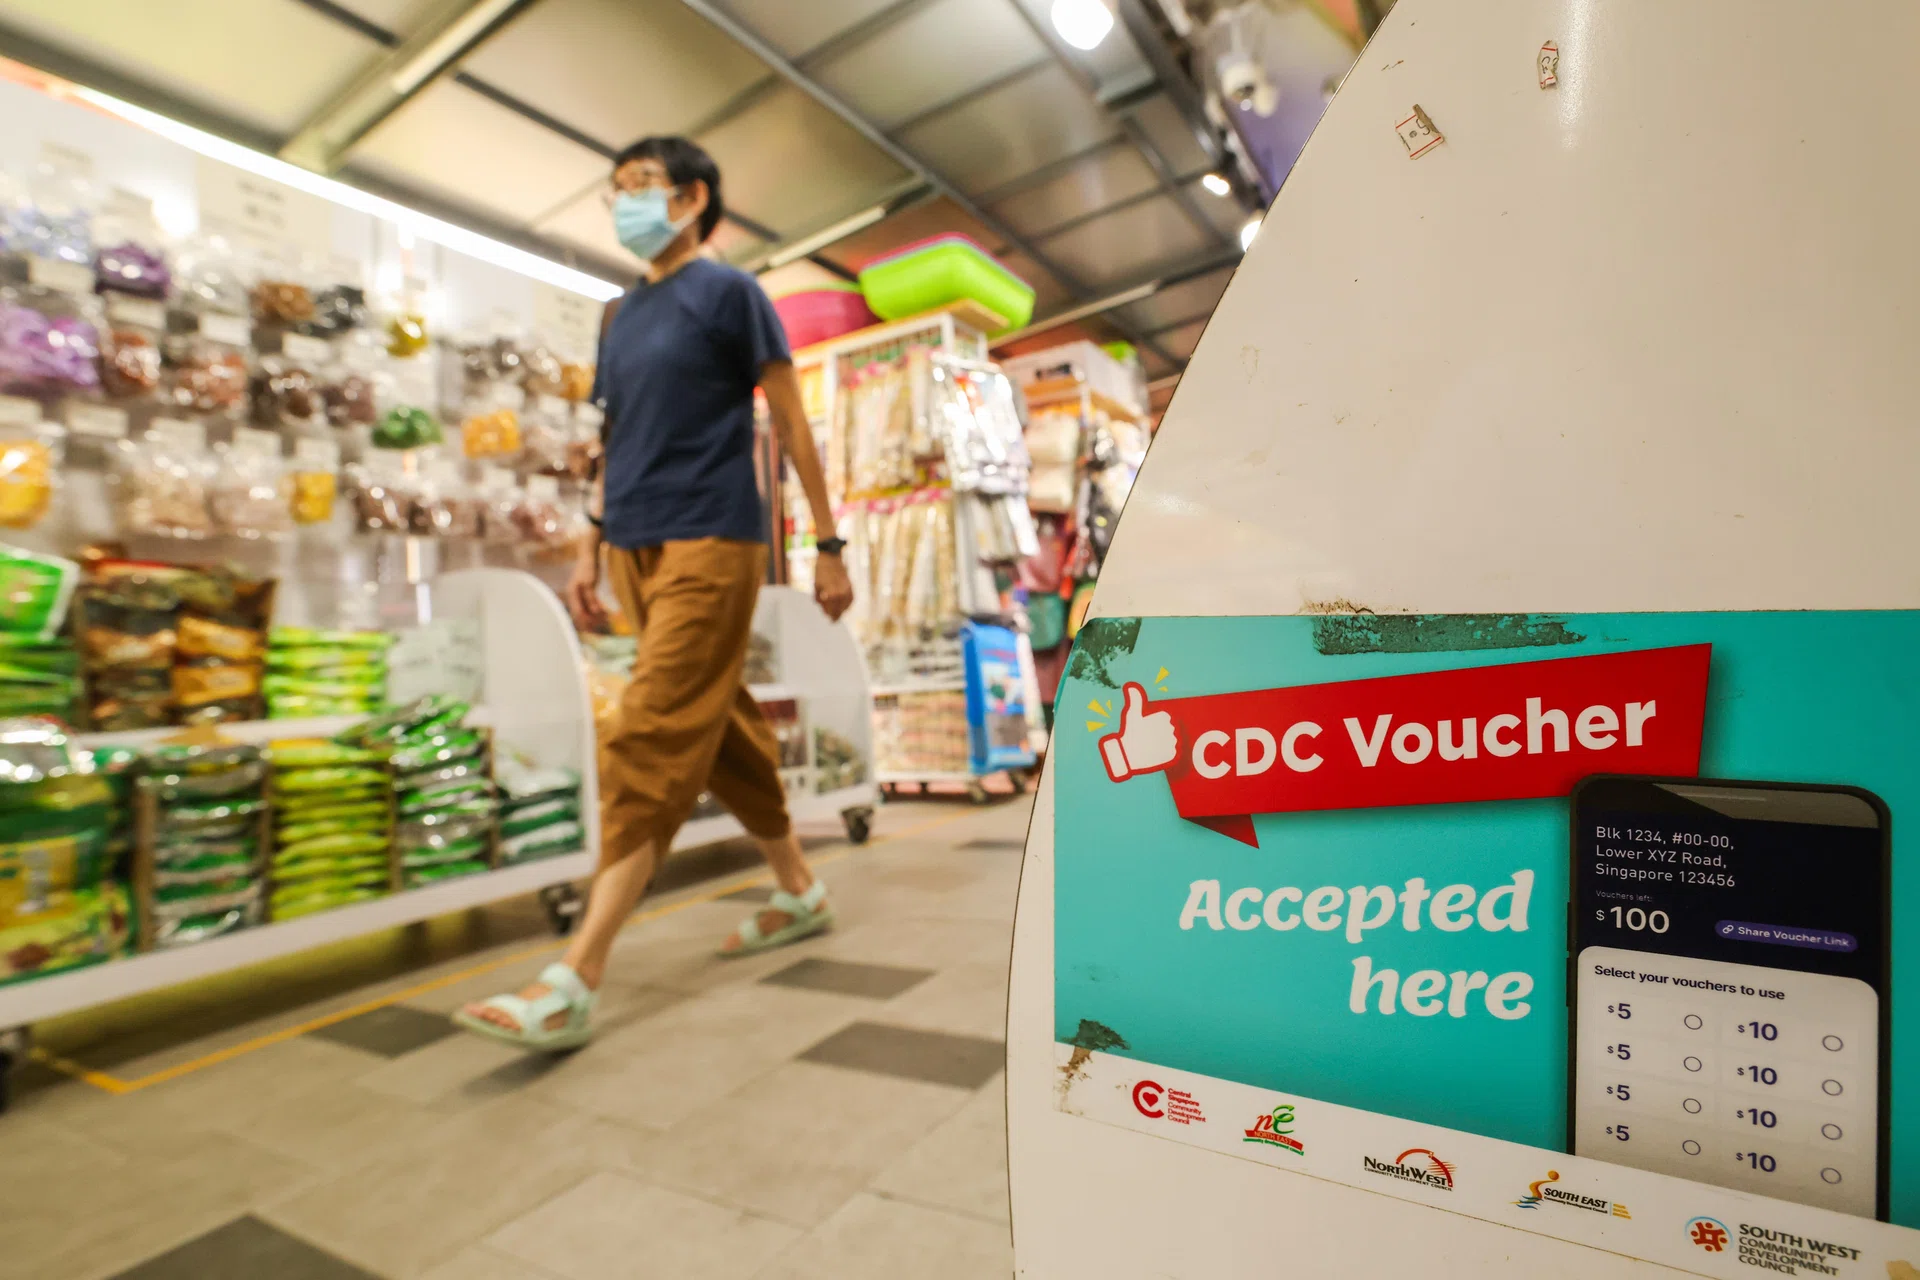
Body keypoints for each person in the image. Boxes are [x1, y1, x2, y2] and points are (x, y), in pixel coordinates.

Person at [454, 136, 854, 1051]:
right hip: (633, 544)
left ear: (691, 197)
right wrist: (587, 549)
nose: (625, 202)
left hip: (713, 536)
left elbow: (791, 423)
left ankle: (575, 976)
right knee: (719, 724)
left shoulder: (731, 294)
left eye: (640, 184)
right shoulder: (619, 315)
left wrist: (829, 545)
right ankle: (800, 889)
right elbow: (618, 439)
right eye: (616, 190)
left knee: (648, 730)